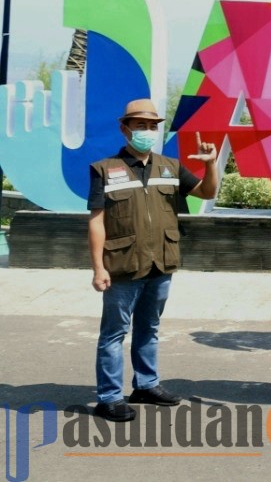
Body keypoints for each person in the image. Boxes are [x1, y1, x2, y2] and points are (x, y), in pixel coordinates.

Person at [88, 99, 221, 422]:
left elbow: (206, 193)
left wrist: (211, 164)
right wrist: (98, 267)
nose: (146, 131)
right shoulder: (104, 169)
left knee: (149, 327)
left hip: (161, 262)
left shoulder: (170, 167)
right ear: (125, 129)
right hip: (122, 266)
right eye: (139, 125)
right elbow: (96, 220)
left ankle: (146, 385)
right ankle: (109, 396)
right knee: (114, 333)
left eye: (151, 126)